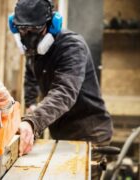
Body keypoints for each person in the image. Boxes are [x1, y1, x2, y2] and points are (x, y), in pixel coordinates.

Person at [10, 0, 113, 179]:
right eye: (22, 30)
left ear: (52, 25)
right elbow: (30, 77)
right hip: (60, 131)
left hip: (88, 133)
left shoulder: (72, 47)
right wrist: (31, 105)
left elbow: (64, 91)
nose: (28, 36)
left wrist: (32, 121)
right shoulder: (34, 50)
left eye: (34, 30)